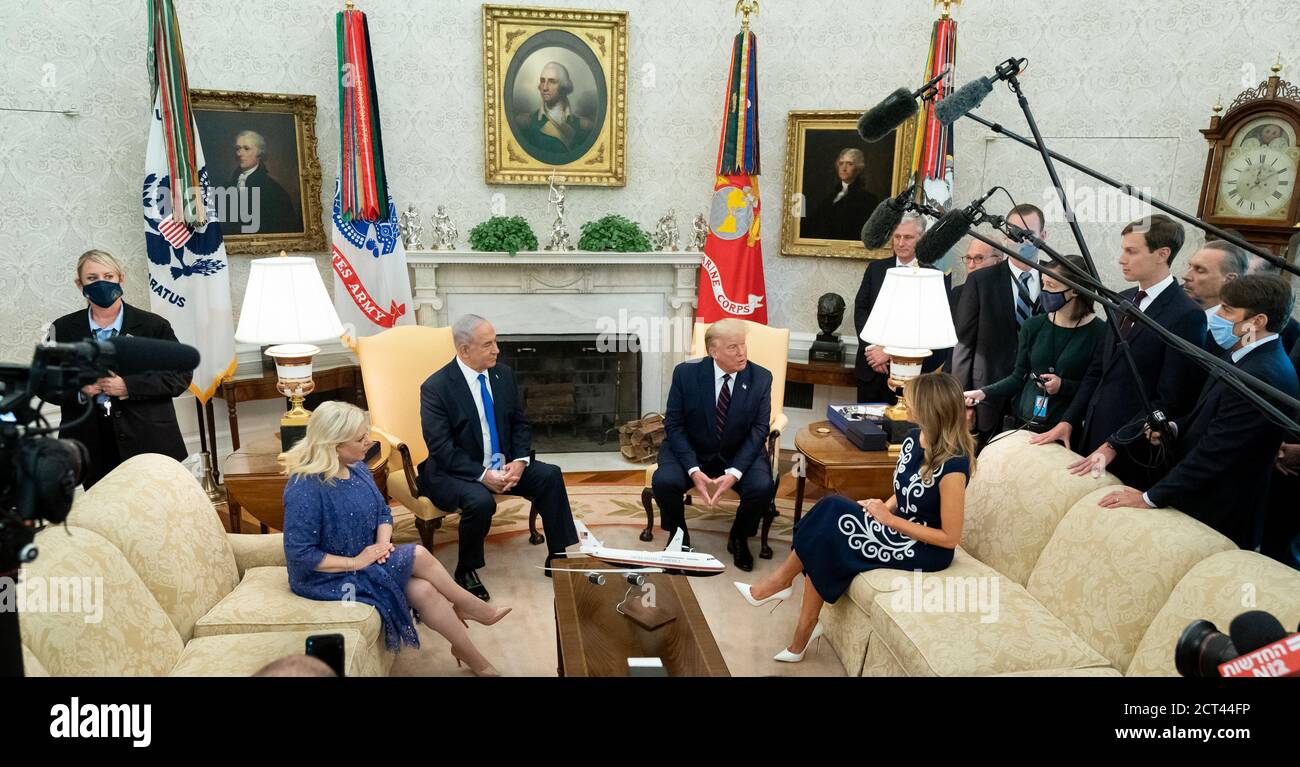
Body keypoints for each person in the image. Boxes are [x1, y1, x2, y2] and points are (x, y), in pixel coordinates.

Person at [734, 372, 974, 662]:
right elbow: (904, 491)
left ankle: (782, 593)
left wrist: (887, 520)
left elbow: (950, 539)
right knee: (828, 513)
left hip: (923, 548)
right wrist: (877, 507)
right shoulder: (914, 439)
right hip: (896, 527)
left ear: (929, 409)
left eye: (912, 400)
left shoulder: (954, 465)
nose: (904, 404)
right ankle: (795, 618)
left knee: (831, 521)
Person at [281, 401, 511, 677]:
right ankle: (471, 607)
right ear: (335, 444)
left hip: (368, 559)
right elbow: (300, 555)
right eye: (360, 438)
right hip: (327, 577)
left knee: (424, 590)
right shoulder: (304, 488)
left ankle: (471, 654)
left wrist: (382, 545)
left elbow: (383, 513)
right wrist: (356, 561)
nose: (369, 442)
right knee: (419, 554)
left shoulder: (358, 469)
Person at [1097, 276, 1300, 550]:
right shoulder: (1242, 353)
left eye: (1228, 310)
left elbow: (1217, 453)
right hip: (1199, 497)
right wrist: (1175, 429)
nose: (1218, 315)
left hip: (1217, 512)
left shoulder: (1264, 374)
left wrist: (1149, 498)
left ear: (1258, 321)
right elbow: (1208, 415)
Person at [1032, 214, 1207, 490]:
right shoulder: (1122, 300)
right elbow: (1097, 372)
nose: (1121, 259)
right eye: (1123, 249)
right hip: (1091, 435)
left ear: (1162, 254)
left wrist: (1116, 443)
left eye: (1131, 251)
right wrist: (1068, 420)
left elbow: (1170, 399)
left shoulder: (1186, 315)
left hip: (1134, 450)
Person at [417, 314, 579, 601]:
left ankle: (558, 555)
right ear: (464, 350)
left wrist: (519, 461)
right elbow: (441, 449)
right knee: (479, 501)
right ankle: (466, 569)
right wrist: (483, 476)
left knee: (549, 475)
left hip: (502, 463)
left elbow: (520, 423)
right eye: (488, 344)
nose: (497, 350)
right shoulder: (436, 388)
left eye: (496, 342)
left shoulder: (503, 374)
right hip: (454, 470)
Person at [51, 249, 191, 489]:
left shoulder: (152, 326)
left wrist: (128, 386)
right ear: (79, 284)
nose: (102, 283)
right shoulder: (62, 329)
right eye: (92, 278)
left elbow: (180, 376)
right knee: (107, 518)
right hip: (93, 447)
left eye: (109, 276)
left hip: (149, 442)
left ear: (120, 279)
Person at [651, 318, 776, 571]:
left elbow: (759, 430)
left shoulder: (761, 378)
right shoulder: (686, 373)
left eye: (743, 345)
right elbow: (674, 425)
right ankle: (679, 536)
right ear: (713, 352)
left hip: (739, 452)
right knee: (664, 481)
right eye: (733, 347)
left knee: (763, 486)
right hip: (692, 450)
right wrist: (693, 469)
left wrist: (735, 472)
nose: (742, 352)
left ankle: (739, 536)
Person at [964, 254, 1105, 433]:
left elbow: (1094, 387)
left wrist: (1064, 386)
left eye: (1051, 286)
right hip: (1021, 422)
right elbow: (1017, 377)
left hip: (1063, 429)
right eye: (1043, 283)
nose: (1044, 291)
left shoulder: (1100, 332)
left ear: (1075, 290)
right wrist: (983, 392)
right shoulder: (1034, 325)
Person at [952, 204, 1049, 446]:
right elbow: (964, 346)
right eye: (1015, 233)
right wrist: (964, 403)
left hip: (1038, 401)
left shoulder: (1056, 279)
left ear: (1043, 237)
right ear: (1006, 237)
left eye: (1030, 234)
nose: (1022, 240)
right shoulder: (981, 282)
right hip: (987, 399)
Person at [853, 214, 951, 404]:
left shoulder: (934, 276)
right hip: (871, 367)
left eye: (908, 237)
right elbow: (861, 310)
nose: (900, 243)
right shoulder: (876, 269)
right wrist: (873, 350)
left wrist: (889, 352)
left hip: (912, 374)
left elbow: (932, 325)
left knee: (901, 429)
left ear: (921, 238)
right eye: (896, 237)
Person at [514, 61, 593, 162]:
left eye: (552, 81)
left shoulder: (584, 126)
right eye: (542, 81)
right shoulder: (525, 123)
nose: (545, 87)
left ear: (564, 86)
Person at [949, 238, 1003, 385]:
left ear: (998, 261)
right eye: (968, 258)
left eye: (979, 258)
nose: (971, 265)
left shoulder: (1006, 292)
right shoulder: (958, 293)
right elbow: (957, 345)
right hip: (964, 381)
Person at [803, 148, 880, 241]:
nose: (844, 168)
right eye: (841, 163)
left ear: (858, 168)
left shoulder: (868, 199)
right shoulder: (830, 197)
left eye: (850, 164)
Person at [229, 130, 297, 234]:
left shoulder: (274, 191)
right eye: (238, 148)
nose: (240, 153)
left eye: (246, 148)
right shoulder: (227, 185)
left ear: (259, 154)